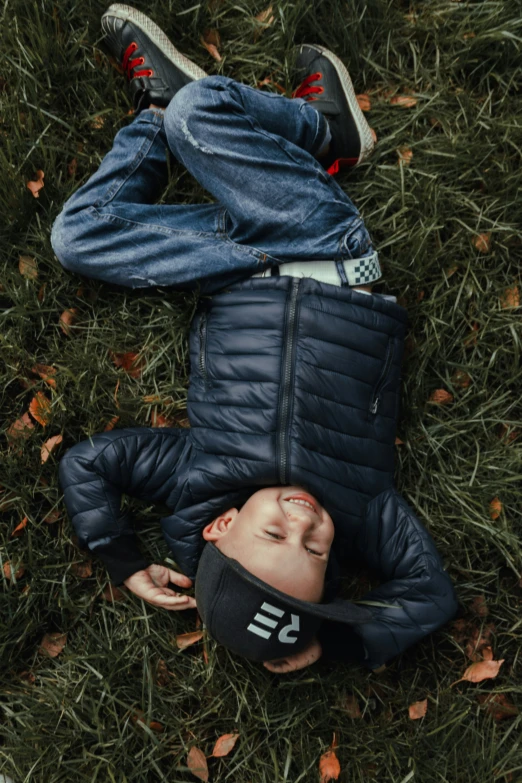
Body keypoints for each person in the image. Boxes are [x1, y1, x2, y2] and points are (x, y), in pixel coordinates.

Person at [52, 4, 458, 674]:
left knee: (77, 237)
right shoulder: (365, 510)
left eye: (275, 532)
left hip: (234, 268)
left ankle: (153, 115)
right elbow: (428, 595)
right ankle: (325, 131)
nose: (304, 522)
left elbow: (89, 464)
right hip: (326, 252)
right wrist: (331, 646)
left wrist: (121, 558)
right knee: (201, 111)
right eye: (316, 550)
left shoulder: (193, 473)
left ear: (221, 526)